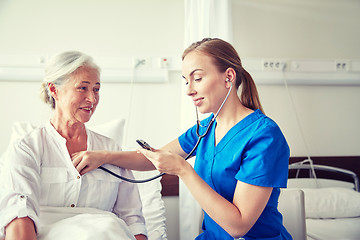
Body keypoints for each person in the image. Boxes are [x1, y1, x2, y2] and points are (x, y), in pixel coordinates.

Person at [72, 38, 291, 240]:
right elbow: (153, 159)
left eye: (197, 78)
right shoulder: (204, 129)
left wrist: (183, 170)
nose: (189, 90)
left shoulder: (264, 136)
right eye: (186, 81)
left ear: (229, 77)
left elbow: (238, 225)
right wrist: (103, 156)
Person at [0, 51, 147, 240]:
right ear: (54, 90)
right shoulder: (27, 148)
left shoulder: (111, 150)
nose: (92, 99)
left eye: (96, 89)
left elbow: (132, 219)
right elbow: (19, 215)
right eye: (82, 88)